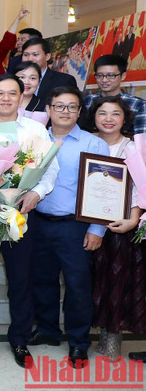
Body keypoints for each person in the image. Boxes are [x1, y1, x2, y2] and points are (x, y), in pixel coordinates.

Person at [0, 74, 58, 369]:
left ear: (21, 97)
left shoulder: (35, 129)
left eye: (12, 93)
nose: (6, 98)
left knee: (20, 279)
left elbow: (50, 168)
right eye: (0, 93)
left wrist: (36, 193)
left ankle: (19, 339)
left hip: (21, 214)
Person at [29, 85, 109, 369]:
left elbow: (105, 191)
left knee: (77, 285)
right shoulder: (35, 140)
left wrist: (97, 229)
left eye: (72, 107)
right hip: (38, 222)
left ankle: (78, 341)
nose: (65, 111)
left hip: (75, 226)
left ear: (79, 111)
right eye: (59, 106)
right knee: (41, 280)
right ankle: (48, 329)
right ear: (48, 110)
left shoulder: (94, 144)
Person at [85, 97, 143, 360]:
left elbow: (139, 187)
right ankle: (95, 335)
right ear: (94, 116)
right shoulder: (87, 142)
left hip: (119, 226)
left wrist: (133, 218)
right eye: (102, 113)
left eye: (115, 113)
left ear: (125, 118)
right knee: (92, 282)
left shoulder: (132, 148)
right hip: (85, 223)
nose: (108, 119)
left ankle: (112, 341)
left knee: (115, 282)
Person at [83, 54, 146, 134]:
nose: (104, 80)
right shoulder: (88, 100)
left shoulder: (138, 104)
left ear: (123, 76)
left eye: (111, 75)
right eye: (100, 75)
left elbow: (141, 138)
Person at [20, 37, 77, 111]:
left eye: (35, 55)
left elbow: (74, 109)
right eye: (26, 55)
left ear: (47, 56)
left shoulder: (64, 80)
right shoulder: (15, 79)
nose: (30, 59)